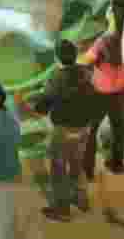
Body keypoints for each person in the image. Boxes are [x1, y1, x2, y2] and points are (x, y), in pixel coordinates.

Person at [23, 39, 102, 222]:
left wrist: (30, 105)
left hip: (63, 129)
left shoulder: (56, 77)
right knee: (77, 163)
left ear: (57, 58)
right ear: (75, 55)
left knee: (58, 168)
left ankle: (62, 209)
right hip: (84, 127)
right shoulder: (87, 72)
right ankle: (81, 199)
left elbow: (43, 106)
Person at [79, 0, 124, 178]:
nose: (107, 11)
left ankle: (88, 169)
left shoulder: (102, 42)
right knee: (119, 129)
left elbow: (86, 60)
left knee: (91, 130)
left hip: (100, 92)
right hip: (120, 90)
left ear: (113, 15)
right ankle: (117, 164)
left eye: (109, 9)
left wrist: (79, 55)